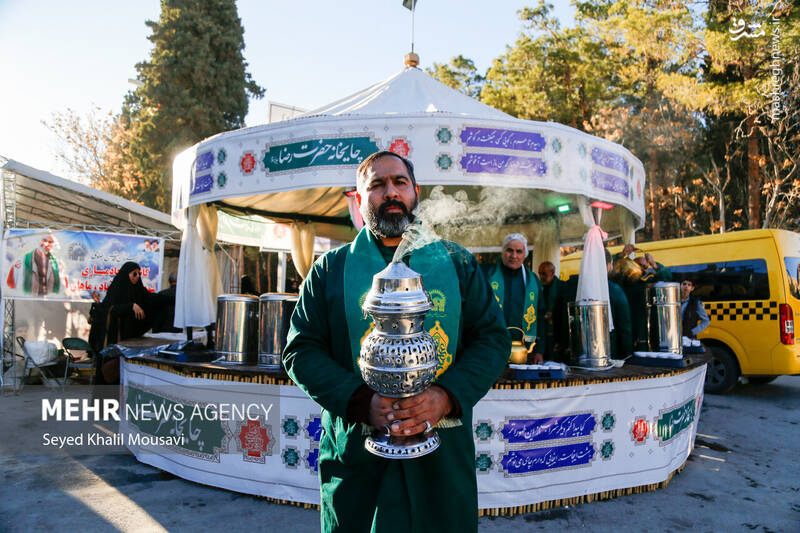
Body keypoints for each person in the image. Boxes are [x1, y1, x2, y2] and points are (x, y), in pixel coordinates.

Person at [283, 151, 509, 533]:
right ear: (359, 200)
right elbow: (300, 350)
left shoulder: (456, 262)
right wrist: (361, 401)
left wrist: (445, 397)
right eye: (377, 185)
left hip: (440, 458)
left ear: (416, 192)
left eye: (399, 182)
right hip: (358, 455)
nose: (390, 192)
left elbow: (492, 339)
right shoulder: (330, 269)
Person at [553, 248, 633, 360]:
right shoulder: (614, 290)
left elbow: (557, 318)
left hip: (571, 354)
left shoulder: (567, 286)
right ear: (608, 265)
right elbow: (624, 328)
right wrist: (627, 355)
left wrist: (559, 344)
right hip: (606, 356)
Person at [483, 234, 544, 363]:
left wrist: (539, 350)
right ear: (503, 252)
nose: (514, 256)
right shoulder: (487, 276)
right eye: (510, 250)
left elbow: (540, 316)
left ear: (525, 255)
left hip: (524, 350)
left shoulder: (533, 281)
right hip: (491, 347)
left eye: (519, 251)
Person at [614, 244, 672, 350]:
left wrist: (653, 264)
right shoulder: (623, 282)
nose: (643, 269)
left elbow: (667, 277)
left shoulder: (649, 281)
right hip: (627, 332)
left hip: (646, 334)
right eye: (640, 265)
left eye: (646, 267)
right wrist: (622, 254)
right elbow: (611, 268)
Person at [537, 261, 563, 361]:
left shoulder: (561, 287)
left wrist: (554, 314)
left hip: (556, 331)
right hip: (542, 331)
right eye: (540, 273)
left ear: (552, 273)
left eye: (544, 273)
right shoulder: (539, 288)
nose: (541, 276)